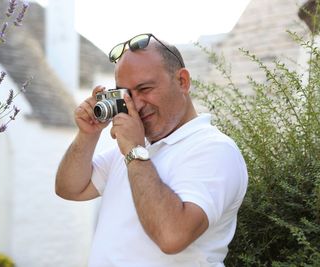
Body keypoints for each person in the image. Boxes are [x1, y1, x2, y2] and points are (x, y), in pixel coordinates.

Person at [55, 33, 248, 267]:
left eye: (144, 88)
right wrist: (88, 134)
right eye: (127, 94)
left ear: (182, 82)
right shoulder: (136, 149)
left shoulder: (215, 149)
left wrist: (134, 150)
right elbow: (70, 188)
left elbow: (172, 236)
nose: (135, 104)